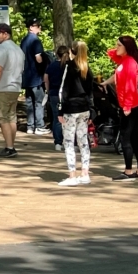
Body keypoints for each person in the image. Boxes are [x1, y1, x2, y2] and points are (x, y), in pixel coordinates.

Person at [103, 35, 138, 181]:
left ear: (127, 47)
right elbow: (111, 53)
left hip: (131, 105)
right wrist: (105, 83)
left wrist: (126, 106)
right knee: (134, 137)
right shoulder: (124, 61)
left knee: (126, 137)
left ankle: (128, 171)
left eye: (119, 45)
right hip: (128, 104)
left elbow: (130, 86)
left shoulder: (130, 64)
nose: (116, 47)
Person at [57, 41, 94, 186]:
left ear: (71, 51)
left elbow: (63, 90)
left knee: (68, 142)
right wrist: (92, 110)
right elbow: (90, 92)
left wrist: (60, 109)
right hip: (84, 108)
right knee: (83, 140)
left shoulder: (69, 67)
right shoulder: (87, 69)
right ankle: (85, 172)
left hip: (71, 109)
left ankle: (72, 175)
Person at [0, 22, 24, 157]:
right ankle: (11, 145)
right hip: (15, 87)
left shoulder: (2, 49)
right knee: (11, 117)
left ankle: (9, 148)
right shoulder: (18, 50)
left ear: (6, 34)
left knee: (3, 117)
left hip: (3, 87)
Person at [20, 19, 49, 135]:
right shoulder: (35, 41)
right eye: (37, 26)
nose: (39, 28)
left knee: (29, 102)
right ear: (31, 27)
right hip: (36, 76)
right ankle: (40, 126)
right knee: (39, 102)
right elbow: (38, 58)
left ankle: (30, 126)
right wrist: (44, 69)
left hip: (26, 76)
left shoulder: (24, 41)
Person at [45, 46, 69, 150]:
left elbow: (46, 78)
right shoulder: (68, 66)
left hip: (54, 93)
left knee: (56, 118)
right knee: (68, 118)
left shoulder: (52, 65)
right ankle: (70, 141)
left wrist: (48, 90)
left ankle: (58, 142)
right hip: (66, 94)